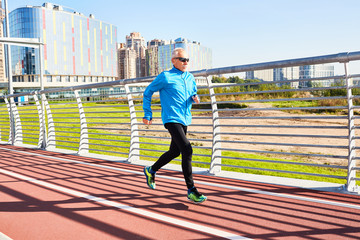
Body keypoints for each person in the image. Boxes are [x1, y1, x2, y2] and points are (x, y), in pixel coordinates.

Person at [142, 48, 207, 204]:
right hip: (171, 118)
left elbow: (192, 93)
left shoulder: (190, 78)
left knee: (174, 151)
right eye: (182, 59)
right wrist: (147, 113)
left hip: (185, 119)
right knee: (187, 148)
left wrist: (194, 98)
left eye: (187, 60)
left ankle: (151, 170)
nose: (185, 62)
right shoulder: (166, 76)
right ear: (173, 61)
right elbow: (148, 91)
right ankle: (191, 190)